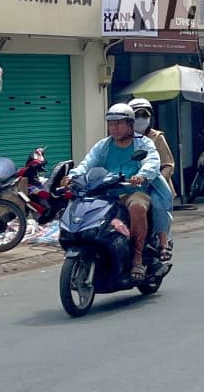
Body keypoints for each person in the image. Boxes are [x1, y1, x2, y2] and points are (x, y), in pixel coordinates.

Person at [73, 102, 161, 275]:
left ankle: (137, 256)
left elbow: (152, 161)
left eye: (119, 123)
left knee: (137, 206)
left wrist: (141, 175)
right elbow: (87, 163)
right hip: (107, 192)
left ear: (130, 124)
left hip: (133, 191)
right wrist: (73, 176)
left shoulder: (143, 143)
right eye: (111, 124)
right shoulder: (103, 145)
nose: (114, 128)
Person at [128, 97, 176, 255]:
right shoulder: (122, 137)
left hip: (155, 184)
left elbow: (168, 164)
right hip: (131, 183)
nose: (141, 119)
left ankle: (163, 242)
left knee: (157, 202)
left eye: (144, 115)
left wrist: (156, 179)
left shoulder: (156, 137)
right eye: (137, 115)